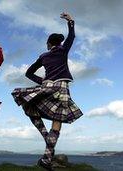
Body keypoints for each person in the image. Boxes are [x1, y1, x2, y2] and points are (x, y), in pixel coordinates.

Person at [12, 12, 83, 171]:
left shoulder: (43, 56)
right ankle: (47, 156)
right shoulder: (63, 50)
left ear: (48, 43)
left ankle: (46, 142)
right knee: (57, 122)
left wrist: (43, 82)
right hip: (62, 88)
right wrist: (70, 21)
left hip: (47, 87)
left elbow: (28, 73)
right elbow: (71, 36)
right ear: (58, 43)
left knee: (29, 106)